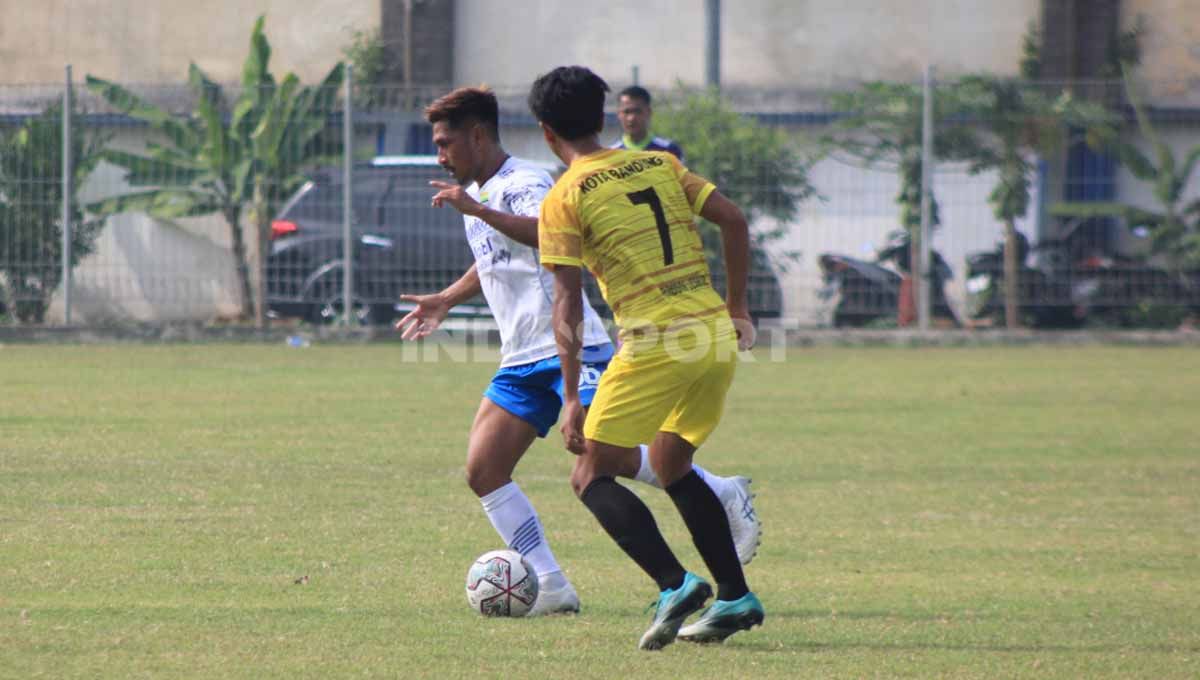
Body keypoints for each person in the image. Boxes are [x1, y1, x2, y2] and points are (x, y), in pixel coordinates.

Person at [393, 86, 761, 618]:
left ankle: (716, 494)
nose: (440, 156)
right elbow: (495, 258)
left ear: (478, 136)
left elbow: (544, 235)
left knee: (597, 459)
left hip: (571, 344)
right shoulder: (476, 194)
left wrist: (478, 209)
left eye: (446, 143)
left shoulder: (525, 183)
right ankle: (549, 584)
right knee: (484, 469)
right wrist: (447, 298)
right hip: (521, 354)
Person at [529, 66, 765, 650]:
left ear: (545, 132)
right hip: (711, 331)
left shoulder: (562, 198)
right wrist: (737, 307)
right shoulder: (660, 164)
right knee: (671, 460)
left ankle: (674, 584)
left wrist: (571, 397)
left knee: (590, 472)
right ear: (606, 116)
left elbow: (567, 304)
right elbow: (733, 219)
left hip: (656, 340)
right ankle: (735, 597)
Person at [610, 85, 685, 163]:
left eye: (637, 111)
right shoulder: (611, 155)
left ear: (649, 112)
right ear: (618, 114)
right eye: (626, 112)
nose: (631, 118)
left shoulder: (669, 150)